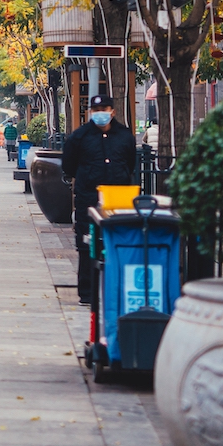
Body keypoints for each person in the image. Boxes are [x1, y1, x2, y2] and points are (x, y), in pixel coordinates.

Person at [61, 95, 136, 304]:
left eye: (104, 108)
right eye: (95, 109)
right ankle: (87, 292)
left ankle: (117, 291)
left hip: (118, 198)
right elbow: (69, 165)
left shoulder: (125, 136)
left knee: (119, 243)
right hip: (88, 197)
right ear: (90, 112)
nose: (100, 113)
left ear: (112, 111)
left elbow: (130, 163)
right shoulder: (80, 137)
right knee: (87, 244)